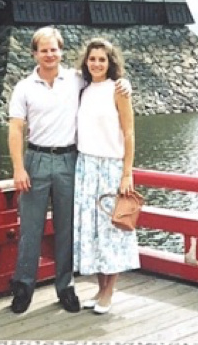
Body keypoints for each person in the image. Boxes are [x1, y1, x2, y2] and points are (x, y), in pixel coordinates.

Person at [7, 27, 129, 314]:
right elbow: (15, 128)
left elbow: (107, 79)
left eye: (54, 49)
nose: (50, 55)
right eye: (44, 50)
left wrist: (126, 83)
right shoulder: (24, 87)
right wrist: (17, 168)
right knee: (30, 228)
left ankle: (65, 287)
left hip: (68, 161)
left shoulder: (76, 80)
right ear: (34, 53)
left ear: (61, 51)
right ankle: (23, 287)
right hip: (36, 159)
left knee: (66, 228)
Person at [72, 38, 139, 315]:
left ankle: (109, 292)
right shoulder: (84, 89)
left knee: (112, 229)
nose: (97, 64)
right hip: (86, 166)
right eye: (92, 59)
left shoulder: (119, 90)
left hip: (111, 167)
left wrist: (127, 172)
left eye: (102, 59)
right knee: (94, 230)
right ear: (86, 62)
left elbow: (129, 133)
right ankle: (100, 289)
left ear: (111, 63)